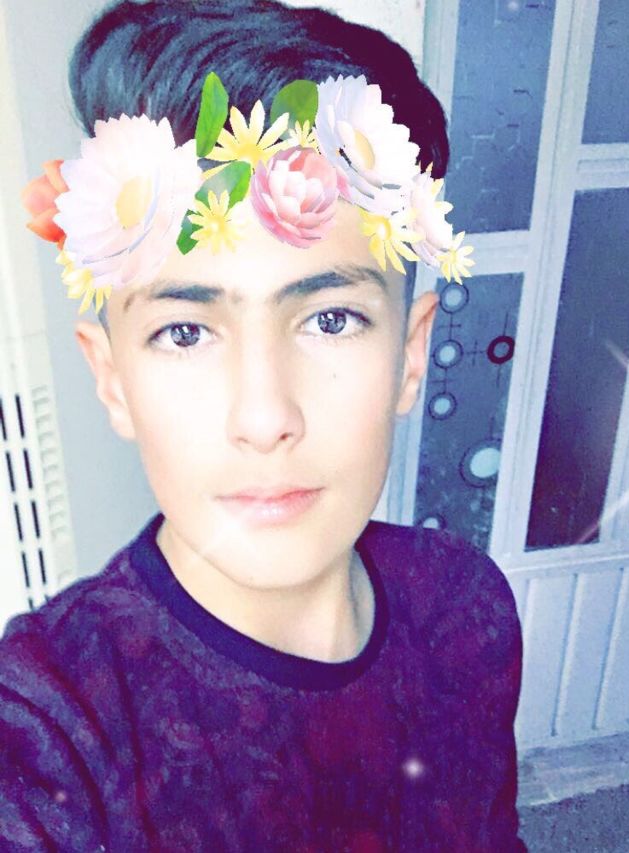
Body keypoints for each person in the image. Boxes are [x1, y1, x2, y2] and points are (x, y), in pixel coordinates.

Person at [2, 0, 526, 850]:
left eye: (330, 319)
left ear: (410, 354)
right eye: (185, 332)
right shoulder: (50, 726)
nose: (265, 418)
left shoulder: (467, 607)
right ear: (112, 379)